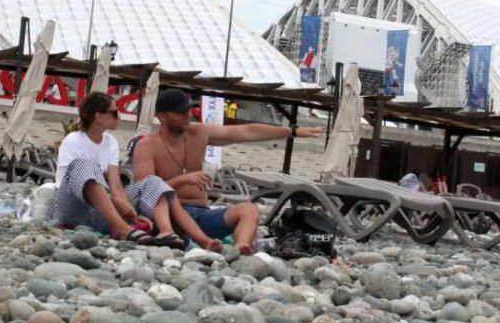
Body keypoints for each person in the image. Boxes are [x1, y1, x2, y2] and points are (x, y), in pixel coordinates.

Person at [133, 89, 325, 254]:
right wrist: (183, 179)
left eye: (189, 109)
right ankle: (194, 241)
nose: (188, 114)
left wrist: (292, 131)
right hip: (169, 217)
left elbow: (247, 132)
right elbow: (145, 193)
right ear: (162, 116)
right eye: (181, 112)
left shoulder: (198, 132)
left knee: (248, 209)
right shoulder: (147, 146)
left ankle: (240, 249)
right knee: (167, 206)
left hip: (203, 214)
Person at [52, 91, 221, 250]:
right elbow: (66, 183)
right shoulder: (73, 141)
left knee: (153, 181)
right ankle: (124, 229)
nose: (119, 116)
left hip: (101, 213)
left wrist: (130, 210)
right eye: (114, 112)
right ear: (98, 116)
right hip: (72, 209)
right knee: (84, 164)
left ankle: (169, 233)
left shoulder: (110, 141)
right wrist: (118, 204)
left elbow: (116, 186)